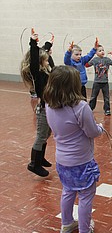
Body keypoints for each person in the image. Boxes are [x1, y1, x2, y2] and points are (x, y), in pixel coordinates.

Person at [43, 65, 104, 233]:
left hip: (62, 160)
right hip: (82, 162)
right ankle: (85, 230)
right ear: (74, 85)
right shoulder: (81, 107)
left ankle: (67, 223)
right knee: (85, 196)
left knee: (68, 191)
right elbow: (92, 132)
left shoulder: (49, 104)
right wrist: (100, 127)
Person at [20, 31, 54, 177]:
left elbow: (44, 54)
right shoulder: (37, 73)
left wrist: (49, 44)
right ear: (40, 62)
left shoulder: (46, 70)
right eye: (45, 60)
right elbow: (35, 58)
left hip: (49, 107)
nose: (48, 61)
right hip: (43, 109)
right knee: (41, 135)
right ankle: (34, 164)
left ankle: (41, 158)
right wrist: (33, 43)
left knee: (47, 133)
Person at [86, 45, 112, 116]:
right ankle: (90, 108)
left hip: (105, 82)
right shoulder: (95, 60)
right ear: (96, 53)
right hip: (97, 82)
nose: (102, 52)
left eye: (103, 50)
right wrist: (88, 56)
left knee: (106, 97)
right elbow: (86, 65)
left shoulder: (106, 59)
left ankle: (107, 109)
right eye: (99, 51)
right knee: (93, 96)